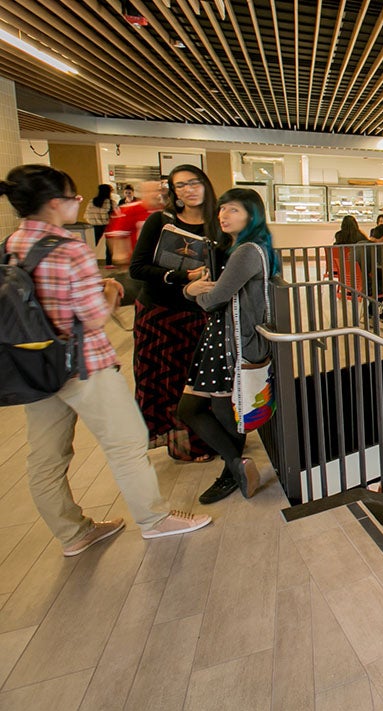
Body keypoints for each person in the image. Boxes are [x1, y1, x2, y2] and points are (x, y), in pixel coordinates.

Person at [1, 165, 212, 553]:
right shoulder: (69, 248)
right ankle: (154, 518)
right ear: (53, 203)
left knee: (47, 457)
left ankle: (73, 533)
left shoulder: (11, 245)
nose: (78, 203)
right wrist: (112, 292)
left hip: (35, 366)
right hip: (84, 365)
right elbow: (95, 317)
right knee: (126, 442)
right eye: (72, 197)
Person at [177, 188, 279, 503]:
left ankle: (233, 469)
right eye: (222, 209)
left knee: (207, 409)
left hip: (231, 342)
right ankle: (235, 467)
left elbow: (213, 299)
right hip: (223, 339)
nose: (224, 215)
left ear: (252, 214)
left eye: (233, 210)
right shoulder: (243, 247)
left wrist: (191, 291)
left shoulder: (247, 250)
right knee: (207, 408)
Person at [129, 166, 226, 463]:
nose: (188, 189)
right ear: (173, 191)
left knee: (197, 381)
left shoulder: (218, 224)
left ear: (206, 185)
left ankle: (206, 440)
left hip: (199, 314)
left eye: (194, 182)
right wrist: (182, 276)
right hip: (158, 314)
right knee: (161, 380)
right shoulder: (160, 221)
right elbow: (138, 268)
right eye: (180, 185)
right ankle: (179, 444)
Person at [104, 179, 163, 265]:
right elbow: (117, 240)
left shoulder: (166, 210)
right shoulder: (129, 210)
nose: (155, 194)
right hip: (139, 264)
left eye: (158, 190)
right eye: (150, 191)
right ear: (143, 193)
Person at [84, 184, 116, 266]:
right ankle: (109, 263)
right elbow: (117, 215)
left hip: (95, 225)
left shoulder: (92, 201)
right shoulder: (111, 203)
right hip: (108, 225)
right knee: (109, 245)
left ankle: (90, 262)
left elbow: (87, 214)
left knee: (94, 244)